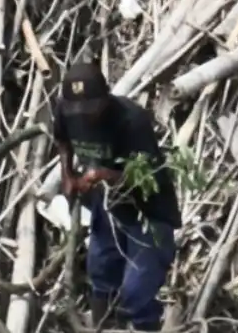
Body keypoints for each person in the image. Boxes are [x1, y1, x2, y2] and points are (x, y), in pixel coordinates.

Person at [53, 61, 180, 332]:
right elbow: (62, 140)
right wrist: (67, 174)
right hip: (110, 206)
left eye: (90, 109)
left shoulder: (131, 120)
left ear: (105, 99)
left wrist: (103, 175)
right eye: (78, 110)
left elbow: (148, 177)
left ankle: (144, 326)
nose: (84, 117)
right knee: (101, 275)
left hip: (148, 211)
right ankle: (102, 327)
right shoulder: (67, 111)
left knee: (136, 294)